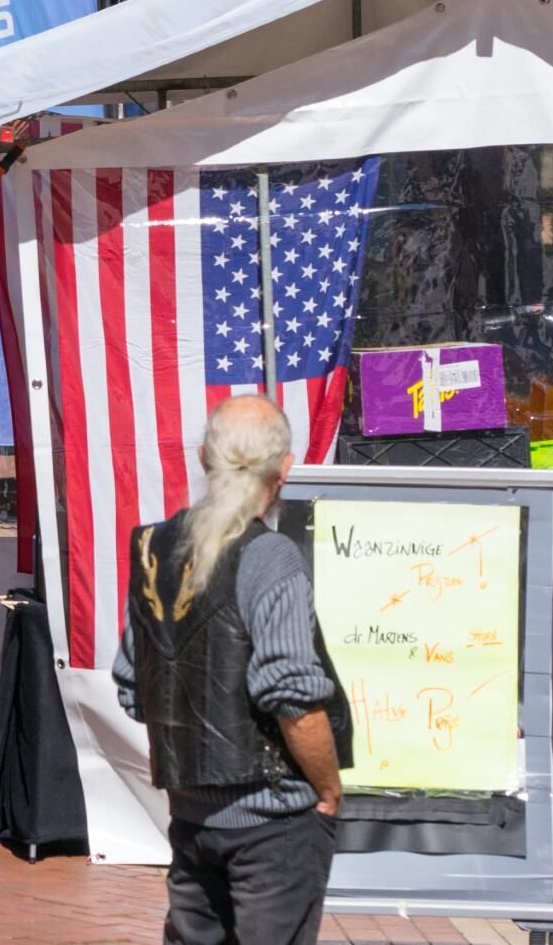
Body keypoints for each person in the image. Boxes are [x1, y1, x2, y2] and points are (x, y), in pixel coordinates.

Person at [114, 396, 351, 945]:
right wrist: (329, 790)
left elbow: (133, 687)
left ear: (203, 458)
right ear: (285, 467)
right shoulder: (271, 557)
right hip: (272, 818)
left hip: (192, 812)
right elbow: (292, 697)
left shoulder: (154, 547)